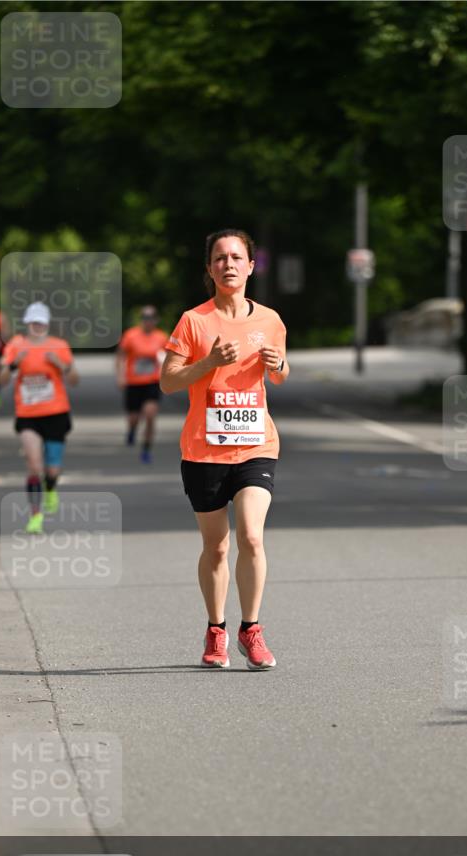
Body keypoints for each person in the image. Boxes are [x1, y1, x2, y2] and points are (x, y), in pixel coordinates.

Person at [160, 229, 289, 670]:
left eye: (236, 257)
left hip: (256, 445)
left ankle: (251, 629)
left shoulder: (270, 320)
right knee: (216, 547)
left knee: (252, 535)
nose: (228, 264)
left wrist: (279, 365)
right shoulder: (193, 321)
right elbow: (168, 381)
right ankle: (216, 629)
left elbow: (280, 374)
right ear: (210, 269)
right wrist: (209, 363)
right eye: (219, 258)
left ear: (251, 266)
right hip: (204, 450)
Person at [0, 302, 79, 534]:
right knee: (34, 466)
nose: (37, 326)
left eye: (41, 322)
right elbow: (2, 380)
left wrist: (61, 365)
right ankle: (35, 516)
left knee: (52, 470)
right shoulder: (16, 345)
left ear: (46, 324)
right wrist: (14, 364)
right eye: (33, 322)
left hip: (56, 413)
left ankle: (51, 487)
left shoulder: (59, 346)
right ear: (27, 323)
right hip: (27, 415)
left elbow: (74, 379)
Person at [116, 306, 169, 463]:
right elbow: (120, 356)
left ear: (156, 320)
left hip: (153, 382)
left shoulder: (161, 337)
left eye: (151, 317)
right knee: (133, 417)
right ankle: (132, 429)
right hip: (133, 382)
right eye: (145, 317)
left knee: (150, 414)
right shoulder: (131, 335)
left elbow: (168, 358)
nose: (148, 321)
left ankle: (146, 448)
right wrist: (120, 376)